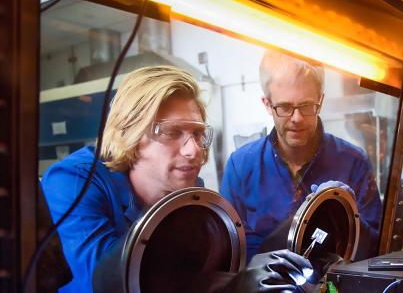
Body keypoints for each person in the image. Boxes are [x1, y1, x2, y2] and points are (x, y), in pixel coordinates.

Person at [42, 65, 312, 293]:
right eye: (171, 132)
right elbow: (105, 282)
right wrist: (231, 285)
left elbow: (196, 267)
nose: (193, 150)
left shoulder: (188, 189)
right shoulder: (74, 181)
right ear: (131, 135)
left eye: (197, 134)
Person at [220, 50, 383, 264]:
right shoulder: (241, 166)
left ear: (320, 101)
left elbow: (376, 250)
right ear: (267, 104)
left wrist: (349, 217)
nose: (296, 118)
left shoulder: (353, 162)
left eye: (306, 106)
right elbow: (229, 255)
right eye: (285, 107)